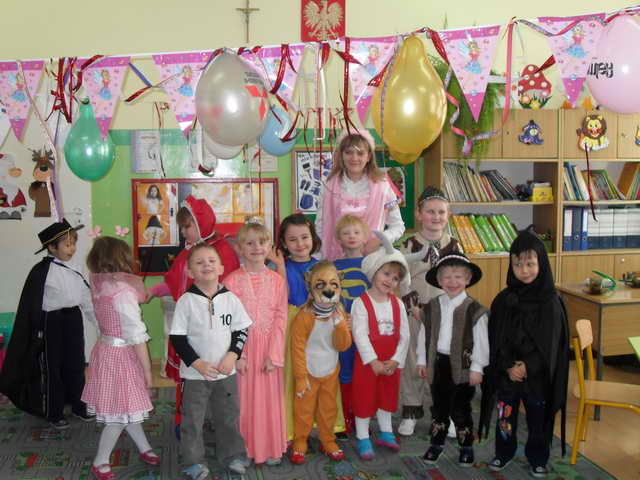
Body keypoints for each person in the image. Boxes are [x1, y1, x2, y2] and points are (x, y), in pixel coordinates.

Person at [479, 231, 569, 478]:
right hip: (508, 374)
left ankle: (538, 457)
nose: (524, 270)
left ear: (542, 263)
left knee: (538, 420)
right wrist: (508, 365)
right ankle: (504, 452)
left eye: (530, 264)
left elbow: (552, 345)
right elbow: (496, 339)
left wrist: (527, 366)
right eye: (518, 264)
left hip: (537, 376)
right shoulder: (504, 300)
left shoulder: (550, 302)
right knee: (505, 417)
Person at [147, 195, 240, 433]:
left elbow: (231, 290)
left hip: (216, 328)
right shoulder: (187, 252)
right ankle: (185, 421)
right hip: (190, 325)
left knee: (219, 377)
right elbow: (173, 282)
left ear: (201, 222)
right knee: (189, 374)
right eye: (182, 228)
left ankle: (221, 423)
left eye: (187, 226)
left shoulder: (222, 251)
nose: (184, 232)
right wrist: (152, 291)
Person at [0, 219, 96, 429]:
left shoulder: (77, 267)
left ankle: (78, 405)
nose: (72, 248)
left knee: (76, 363)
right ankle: (54, 411)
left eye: (73, 243)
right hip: (52, 322)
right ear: (52, 247)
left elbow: (85, 297)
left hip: (73, 319)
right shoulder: (42, 271)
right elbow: (33, 304)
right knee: (53, 367)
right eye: (67, 244)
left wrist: (98, 322)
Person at [170, 243, 252, 479]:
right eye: (199, 262)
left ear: (221, 268)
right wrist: (197, 363)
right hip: (195, 375)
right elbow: (178, 338)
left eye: (211, 261)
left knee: (228, 416)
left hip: (226, 373)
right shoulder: (186, 301)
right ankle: (194, 461)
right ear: (190, 272)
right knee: (193, 420)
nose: (206, 265)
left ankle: (233, 455)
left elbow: (241, 330)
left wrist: (232, 356)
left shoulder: (230, 299)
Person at [82, 237, 159, 480]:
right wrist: (148, 373)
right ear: (123, 260)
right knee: (118, 414)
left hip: (105, 351)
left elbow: (97, 320)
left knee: (127, 406)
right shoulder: (123, 293)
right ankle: (101, 461)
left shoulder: (99, 287)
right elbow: (137, 337)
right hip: (121, 358)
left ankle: (144, 446)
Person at [398, 186, 463, 437]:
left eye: (441, 212)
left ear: (448, 215)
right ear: (419, 214)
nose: (436, 217)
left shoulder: (455, 246)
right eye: (430, 211)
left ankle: (444, 412)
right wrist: (413, 308)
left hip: (444, 315)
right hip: (415, 313)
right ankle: (411, 411)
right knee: (414, 361)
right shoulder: (408, 245)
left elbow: (461, 280)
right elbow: (401, 280)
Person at [223, 222, 287, 466]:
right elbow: (226, 322)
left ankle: (270, 447)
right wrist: (237, 355)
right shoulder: (231, 281)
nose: (256, 247)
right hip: (244, 350)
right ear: (239, 248)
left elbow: (281, 318)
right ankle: (244, 449)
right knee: (243, 402)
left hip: (269, 350)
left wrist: (275, 354)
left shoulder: (278, 281)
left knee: (269, 401)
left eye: (261, 242)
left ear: (269, 246)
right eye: (249, 243)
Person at [416, 253, 488, 467]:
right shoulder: (432, 306)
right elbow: (424, 335)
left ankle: (466, 446)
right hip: (439, 364)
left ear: (468, 279)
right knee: (439, 407)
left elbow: (481, 342)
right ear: (439, 281)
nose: (452, 282)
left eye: (458, 277)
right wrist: (422, 360)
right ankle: (436, 443)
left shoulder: (476, 311)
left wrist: (477, 367)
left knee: (461, 408)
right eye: (447, 277)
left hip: (464, 368)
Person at [350, 232, 413, 460]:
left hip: (391, 361)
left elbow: (405, 335)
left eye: (395, 278)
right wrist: (373, 361)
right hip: (368, 362)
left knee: (387, 397)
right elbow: (359, 334)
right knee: (364, 398)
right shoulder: (360, 303)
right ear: (374, 272)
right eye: (386, 273)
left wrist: (396, 360)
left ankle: (386, 432)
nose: (390, 280)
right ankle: (363, 436)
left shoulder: (398, 303)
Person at [289, 260, 352, 464]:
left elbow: (343, 346)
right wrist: (300, 377)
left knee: (328, 408)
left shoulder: (339, 314)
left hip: (330, 370)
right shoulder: (304, 317)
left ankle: (328, 440)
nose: (328, 290)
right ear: (311, 287)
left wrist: (341, 326)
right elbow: (297, 348)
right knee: (304, 409)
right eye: (320, 284)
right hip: (308, 372)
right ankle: (300, 440)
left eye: (334, 284)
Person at [315, 129, 405, 261]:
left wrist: (378, 240)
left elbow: (398, 226)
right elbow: (320, 225)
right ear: (341, 155)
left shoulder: (383, 186)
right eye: (348, 152)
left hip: (373, 260)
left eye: (360, 153)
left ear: (369, 156)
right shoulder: (328, 186)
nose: (354, 158)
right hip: (336, 260)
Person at [332, 214, 371, 438]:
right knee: (345, 371)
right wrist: (340, 318)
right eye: (346, 233)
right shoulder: (334, 266)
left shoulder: (372, 264)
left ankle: (361, 414)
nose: (352, 236)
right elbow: (331, 297)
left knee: (364, 371)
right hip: (343, 328)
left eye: (356, 232)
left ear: (365, 237)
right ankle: (344, 417)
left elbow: (376, 297)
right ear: (339, 239)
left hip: (365, 329)